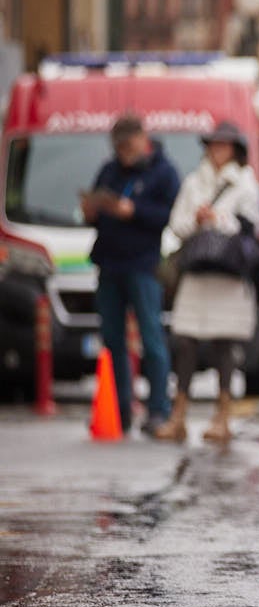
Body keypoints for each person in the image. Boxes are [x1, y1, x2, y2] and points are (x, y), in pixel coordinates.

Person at [153, 122, 259, 444]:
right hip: (198, 272)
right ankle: (179, 415)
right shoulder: (193, 182)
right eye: (213, 144)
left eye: (224, 145)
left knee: (224, 345)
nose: (217, 150)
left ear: (234, 149)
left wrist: (219, 220)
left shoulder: (246, 184)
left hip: (228, 276)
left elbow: (252, 228)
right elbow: (176, 225)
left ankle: (222, 416)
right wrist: (197, 220)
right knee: (185, 341)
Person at [80, 113, 180, 435]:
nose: (123, 153)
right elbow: (96, 213)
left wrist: (133, 211)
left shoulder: (163, 172)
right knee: (112, 341)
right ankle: (119, 409)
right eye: (118, 148)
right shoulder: (110, 170)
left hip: (143, 266)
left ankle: (158, 411)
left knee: (152, 338)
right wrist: (92, 211)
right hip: (109, 264)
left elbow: (170, 215)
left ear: (141, 138)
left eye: (127, 146)